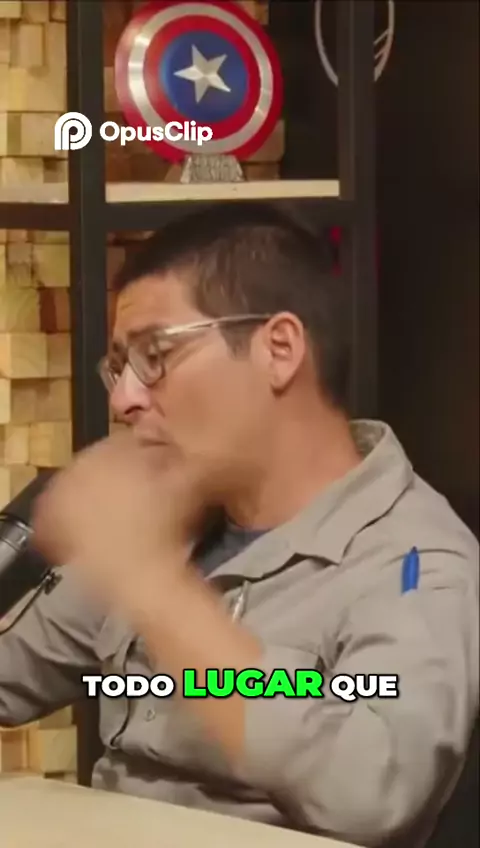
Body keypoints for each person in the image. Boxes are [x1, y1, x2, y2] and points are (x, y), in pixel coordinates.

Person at [0, 202, 478, 848]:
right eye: (120, 367)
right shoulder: (173, 516)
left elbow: (376, 790)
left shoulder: (415, 559)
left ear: (279, 350)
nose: (124, 398)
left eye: (155, 354)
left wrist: (157, 590)